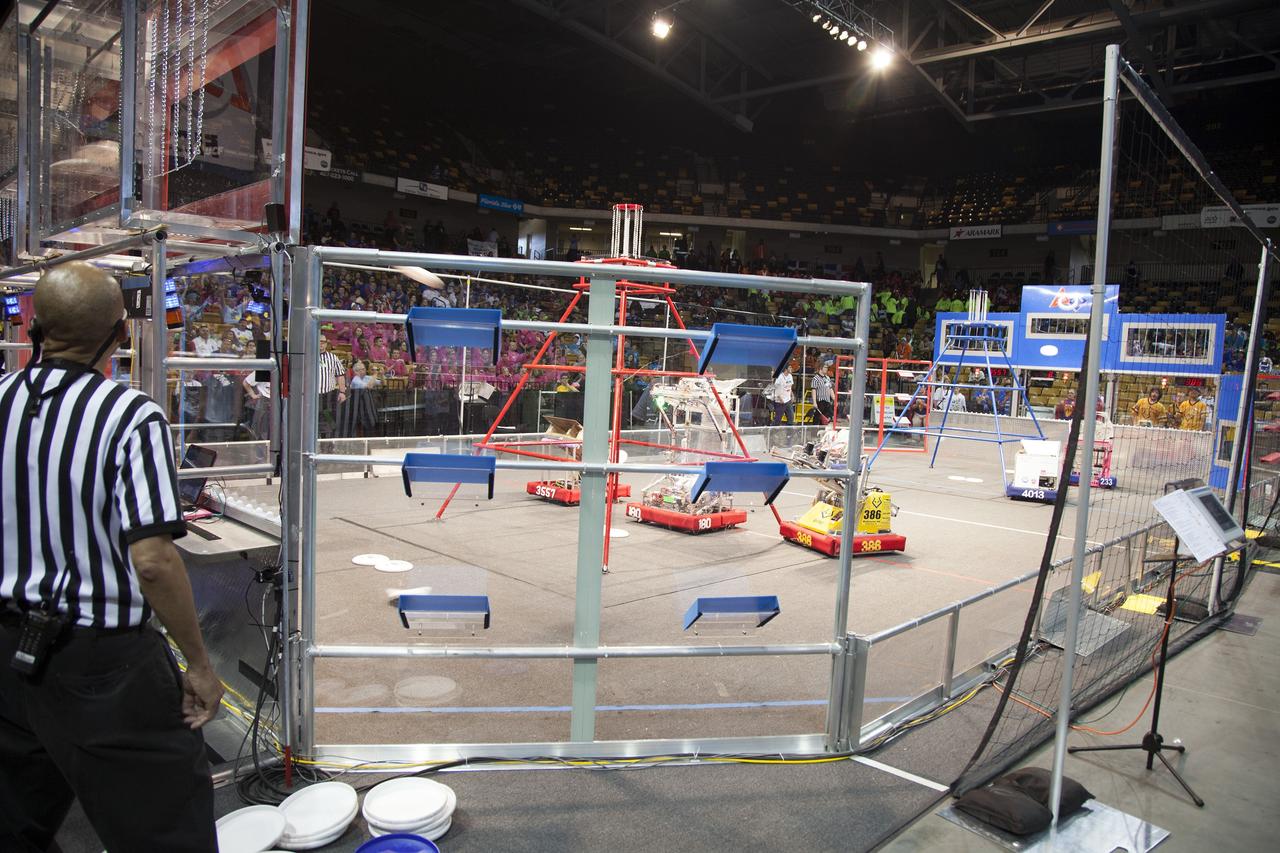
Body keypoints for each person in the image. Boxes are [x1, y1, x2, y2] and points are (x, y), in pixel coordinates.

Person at [0, 262, 221, 851]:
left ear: (32, 326)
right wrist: (198, 665)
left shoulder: (1, 399)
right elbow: (152, 559)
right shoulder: (128, 414)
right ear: (121, 334)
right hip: (103, 663)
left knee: (17, 821)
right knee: (167, 825)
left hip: (8, 651)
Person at [318, 336, 347, 438]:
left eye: (323, 342)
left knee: (328, 421)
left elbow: (340, 375)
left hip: (328, 396)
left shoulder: (333, 358)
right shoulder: (307, 356)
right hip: (311, 396)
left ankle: (328, 445)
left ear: (326, 344)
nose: (321, 344)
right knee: (310, 421)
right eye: (319, 341)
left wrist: (342, 392)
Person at [766, 362, 795, 429]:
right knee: (777, 420)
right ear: (786, 369)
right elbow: (776, 388)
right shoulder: (780, 377)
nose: (791, 368)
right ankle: (771, 432)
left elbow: (790, 387)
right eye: (790, 367)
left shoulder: (790, 376)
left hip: (788, 400)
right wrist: (780, 398)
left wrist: (792, 395)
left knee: (791, 418)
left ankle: (789, 434)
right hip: (780, 401)